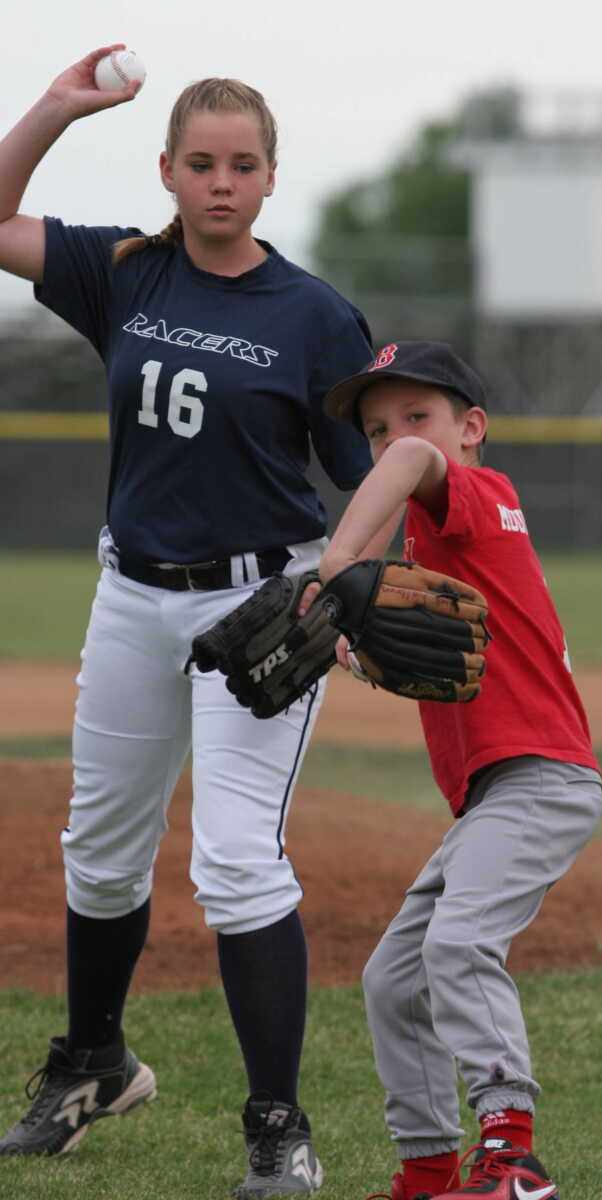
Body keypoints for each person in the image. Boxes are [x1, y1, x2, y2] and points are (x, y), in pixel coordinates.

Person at [0, 44, 388, 1199]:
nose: (222, 182)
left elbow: (368, 473)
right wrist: (57, 108)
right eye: (202, 163)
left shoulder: (313, 315)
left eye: (243, 165)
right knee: (99, 849)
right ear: (168, 170)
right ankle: (94, 1065)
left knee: (234, 861)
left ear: (270, 177)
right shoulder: (124, 270)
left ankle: (278, 1127)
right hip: (132, 595)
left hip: (258, 602)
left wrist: (345, 586)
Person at [319, 341, 602, 1200]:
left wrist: (336, 567)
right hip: (495, 794)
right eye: (375, 427)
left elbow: (413, 463)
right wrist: (338, 641)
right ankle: (428, 1169)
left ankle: (513, 1158)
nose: (394, 437)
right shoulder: (430, 543)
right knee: (394, 979)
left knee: (458, 942)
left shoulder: (480, 497)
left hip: (543, 777)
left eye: (418, 415)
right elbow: (411, 649)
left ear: (471, 428)